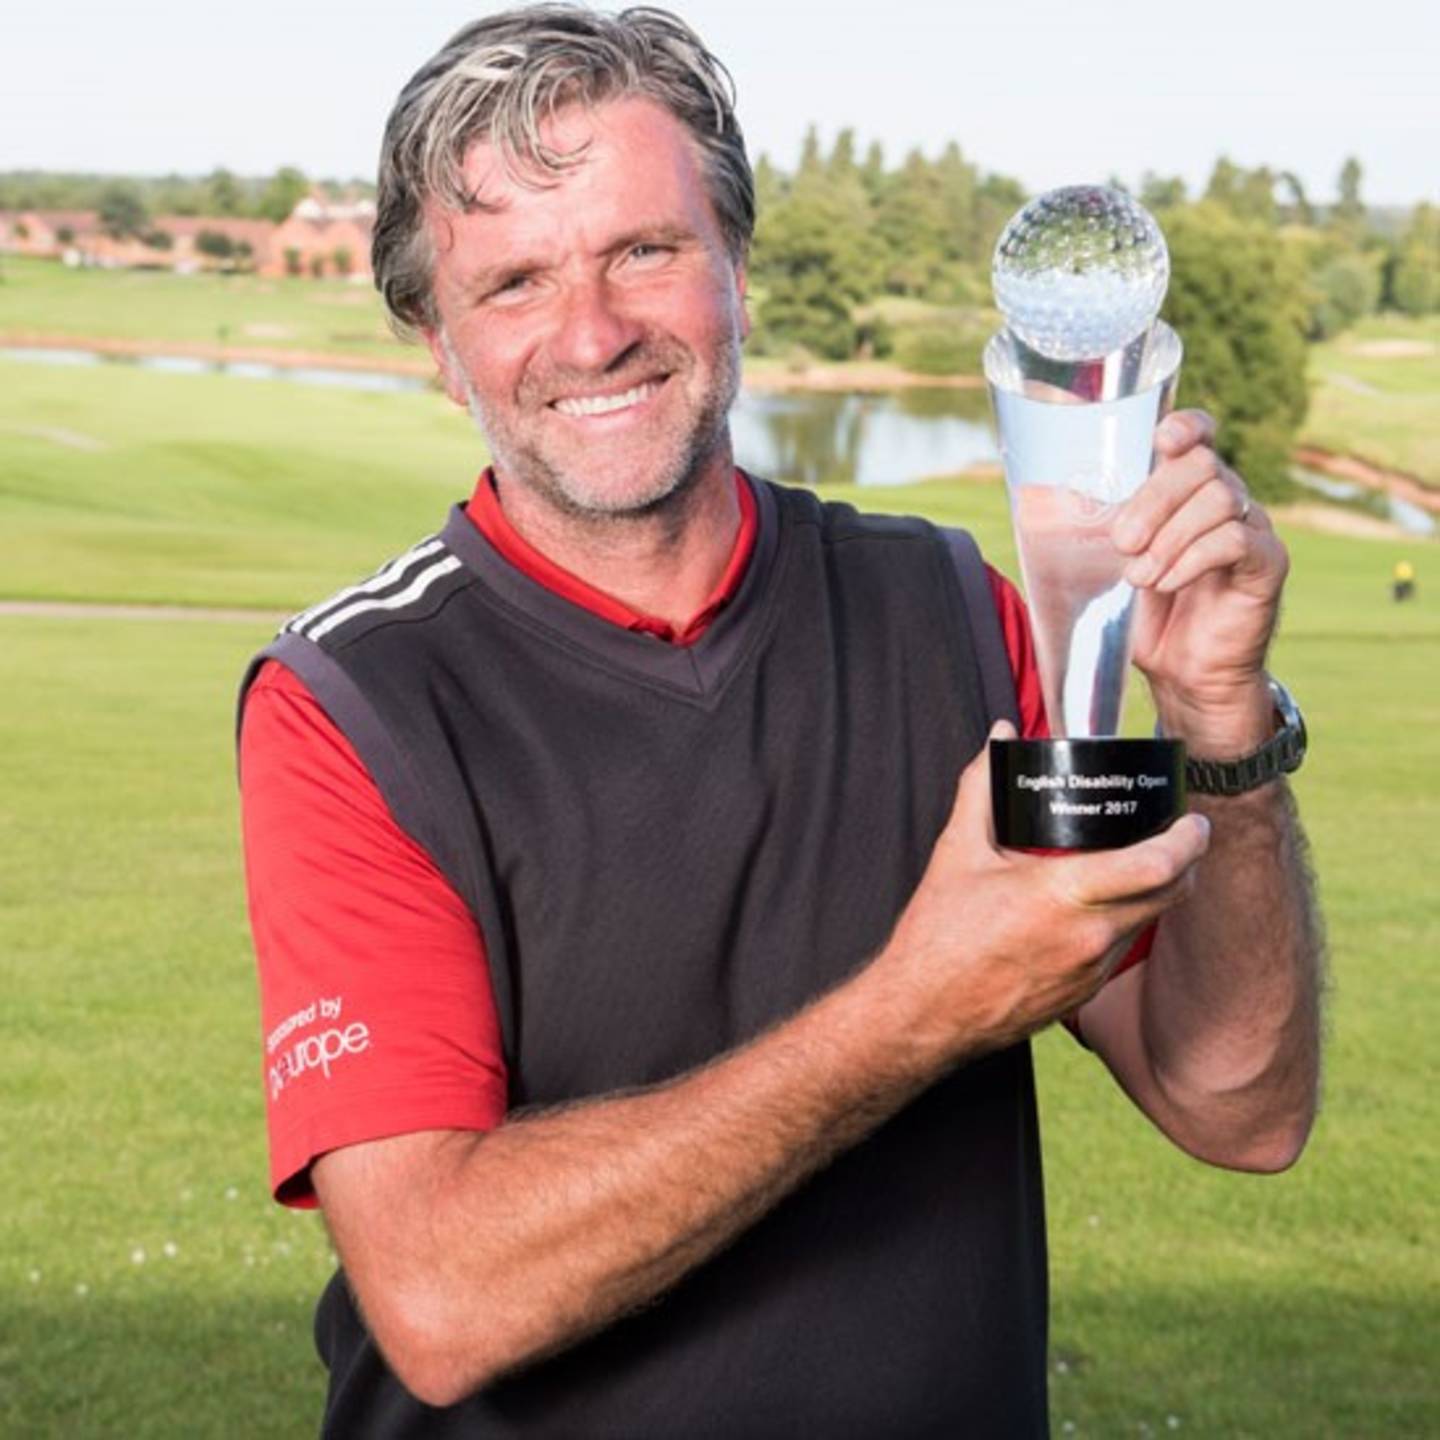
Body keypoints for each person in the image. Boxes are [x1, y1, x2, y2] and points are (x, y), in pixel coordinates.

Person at [237, 7, 1323, 1435]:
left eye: (645, 249)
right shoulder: (349, 706)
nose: (595, 332)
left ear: (736, 271)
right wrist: (916, 1008)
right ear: (441, 347)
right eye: (511, 283)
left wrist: (1224, 728)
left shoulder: (959, 614)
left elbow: (1238, 1107)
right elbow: (442, 1298)